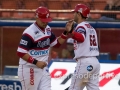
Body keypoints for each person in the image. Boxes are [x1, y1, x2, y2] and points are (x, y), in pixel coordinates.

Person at [17, 6, 74, 90]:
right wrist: (36, 62)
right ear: (37, 18)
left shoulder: (47, 29)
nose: (45, 23)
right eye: (43, 20)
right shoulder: (29, 32)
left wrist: (66, 32)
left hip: (43, 68)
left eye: (47, 21)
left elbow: (56, 44)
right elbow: (20, 52)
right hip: (29, 68)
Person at [67, 4, 100, 90]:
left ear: (79, 14)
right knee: (94, 88)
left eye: (75, 13)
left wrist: (71, 31)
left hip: (85, 62)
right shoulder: (91, 27)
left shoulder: (81, 26)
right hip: (95, 62)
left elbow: (81, 38)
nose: (73, 14)